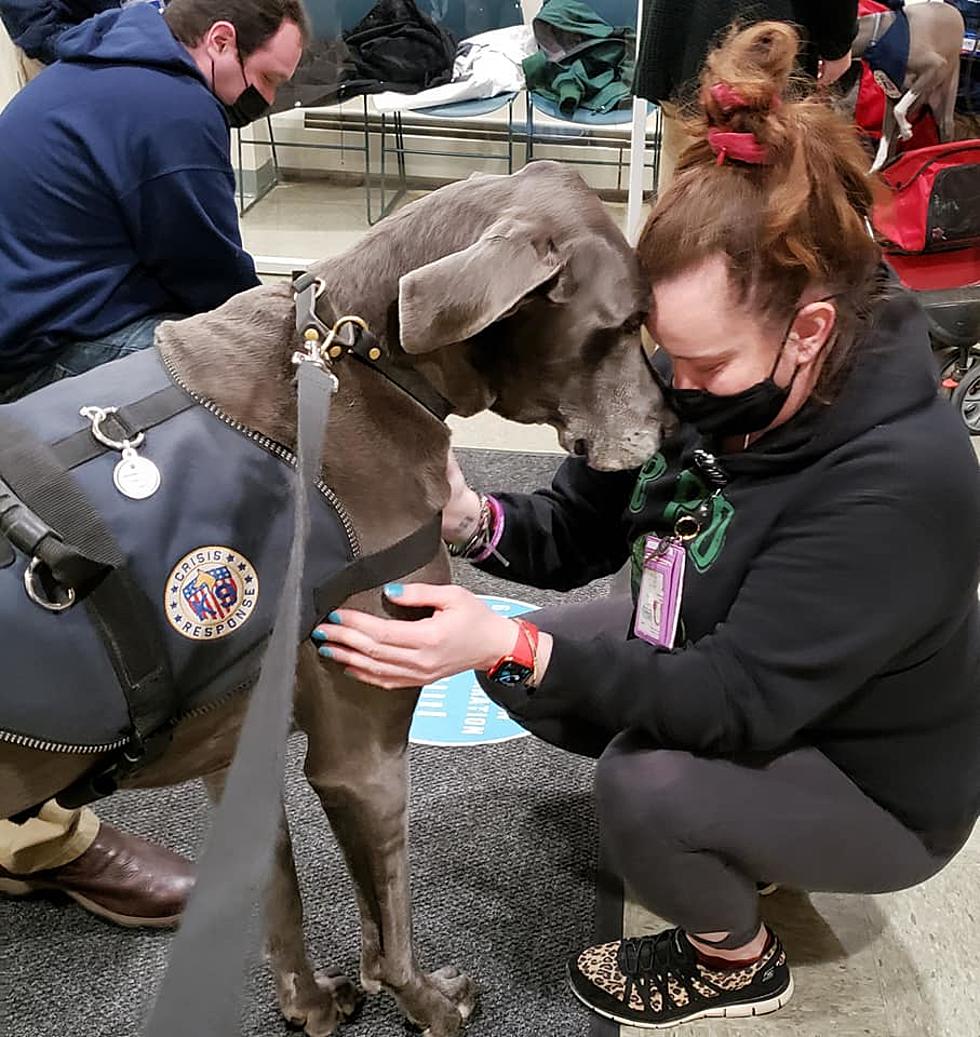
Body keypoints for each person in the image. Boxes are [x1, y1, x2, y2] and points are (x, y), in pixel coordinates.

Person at [308, 22, 980, 1029]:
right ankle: (743, 833)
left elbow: (736, 699)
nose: (674, 385)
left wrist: (511, 635)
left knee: (641, 784)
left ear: (808, 330)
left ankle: (734, 956)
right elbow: (582, 530)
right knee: (522, 662)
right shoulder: (711, 366)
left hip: (873, 781)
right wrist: (471, 516)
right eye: (661, 352)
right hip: (746, 662)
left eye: (700, 365)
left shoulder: (901, 483)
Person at [0, 0, 309, 928]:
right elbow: (217, 289)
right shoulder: (175, 113)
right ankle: (202, 603)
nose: (263, 102)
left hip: (44, 306)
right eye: (266, 82)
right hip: (34, 349)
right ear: (220, 42)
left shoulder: (103, 60)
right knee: (257, 378)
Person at [634, 0, 860, 190]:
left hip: (684, 36)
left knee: (686, 187)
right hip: (769, 41)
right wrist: (836, 42)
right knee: (769, 200)